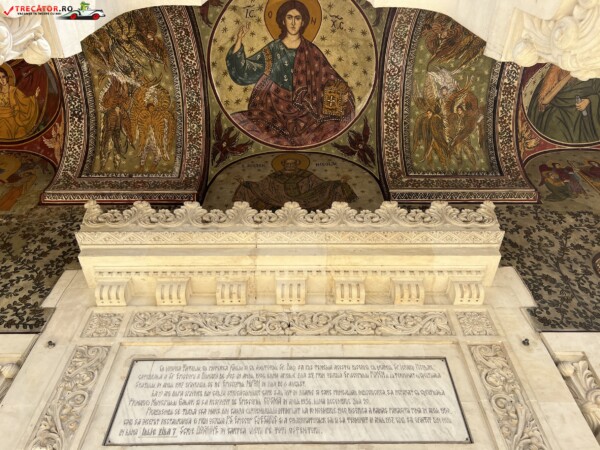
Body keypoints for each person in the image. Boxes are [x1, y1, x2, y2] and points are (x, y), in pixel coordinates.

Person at [225, 0, 354, 147]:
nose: (293, 23)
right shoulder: (273, 49)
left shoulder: (312, 51)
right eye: (289, 17)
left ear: (303, 22)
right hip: (274, 108)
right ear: (283, 21)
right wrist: (238, 41)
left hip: (307, 111)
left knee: (334, 126)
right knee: (243, 123)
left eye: (297, 18)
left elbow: (328, 77)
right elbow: (246, 71)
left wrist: (343, 94)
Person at [233, 156, 357, 211]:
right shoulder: (274, 176)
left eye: (293, 163)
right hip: (277, 202)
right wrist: (245, 183)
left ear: (297, 164)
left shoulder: (306, 174)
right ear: (283, 165)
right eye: (287, 164)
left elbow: (320, 186)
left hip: (307, 201)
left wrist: (339, 182)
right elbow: (262, 186)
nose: (290, 165)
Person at [527, 65, 600, 143]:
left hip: (583, 115)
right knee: (554, 118)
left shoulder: (593, 69)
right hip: (560, 111)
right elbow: (545, 100)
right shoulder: (557, 69)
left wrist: (589, 100)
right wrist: (570, 75)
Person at [0, 67, 40, 140]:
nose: (2, 80)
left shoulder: (13, 91)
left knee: (20, 132)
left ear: (7, 78)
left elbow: (24, 101)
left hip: (12, 120)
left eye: (3, 77)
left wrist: (34, 97)